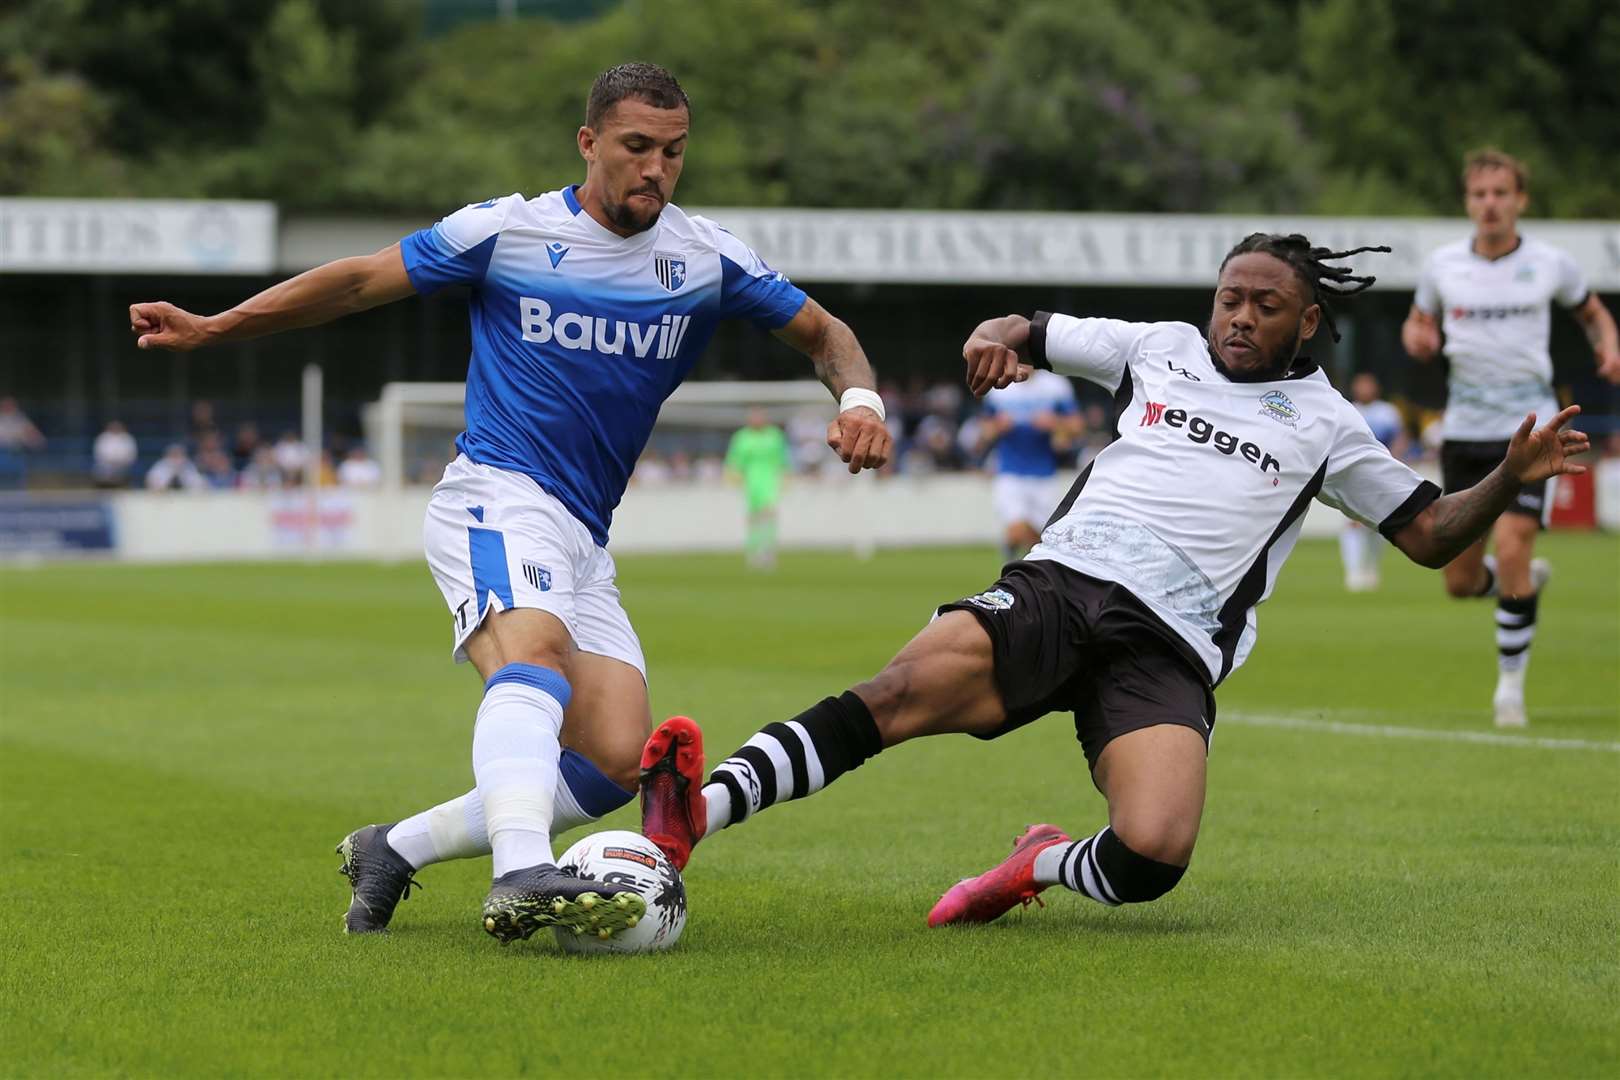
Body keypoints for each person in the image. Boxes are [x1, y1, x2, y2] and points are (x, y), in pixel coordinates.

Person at [128, 62, 892, 944]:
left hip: (584, 533)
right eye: (636, 147)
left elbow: (827, 333)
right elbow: (354, 282)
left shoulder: (704, 257)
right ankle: (520, 871)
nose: (655, 169)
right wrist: (219, 326)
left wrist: (859, 403)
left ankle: (395, 846)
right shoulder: (508, 231)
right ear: (589, 143)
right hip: (493, 494)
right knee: (533, 659)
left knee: (611, 756)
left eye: (673, 152)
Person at [638, 233, 1590, 930]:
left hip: (1171, 641)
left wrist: (1507, 476)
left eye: (1265, 305)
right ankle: (696, 815)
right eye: (1230, 298)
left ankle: (1037, 864)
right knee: (896, 692)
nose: (1240, 317)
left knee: (1153, 856)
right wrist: (996, 335)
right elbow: (1027, 324)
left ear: (1308, 323)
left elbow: (1426, 532)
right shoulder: (1156, 348)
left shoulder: (1329, 424)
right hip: (1063, 584)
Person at [1400, 148, 1620, 727]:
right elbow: (1417, 324)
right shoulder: (1443, 266)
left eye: (1501, 193)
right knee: (1460, 580)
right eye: (1480, 194)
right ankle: (1515, 586)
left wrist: (1609, 343)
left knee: (1516, 542)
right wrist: (1417, 337)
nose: (1490, 204)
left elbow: (1594, 313)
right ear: (1468, 202)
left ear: (1520, 199)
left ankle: (1509, 690)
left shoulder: (1551, 262)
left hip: (1531, 430)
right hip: (1466, 435)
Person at [978, 367, 1082, 560]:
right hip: (1010, 472)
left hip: (1044, 474)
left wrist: (1055, 423)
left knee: (1039, 539)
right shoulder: (1000, 387)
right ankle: (1010, 562)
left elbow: (1076, 426)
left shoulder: (1055, 386)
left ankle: (1020, 568)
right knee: (1016, 529)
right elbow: (985, 431)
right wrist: (998, 426)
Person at [1338, 372, 1410, 591]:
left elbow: (1400, 438)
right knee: (1353, 522)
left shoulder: (1387, 412)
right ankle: (1353, 572)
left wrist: (1393, 462)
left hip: (1383, 474)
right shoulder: (1347, 409)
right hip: (1353, 474)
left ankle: (1371, 567)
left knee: (1379, 524)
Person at [724, 407, 793, 569]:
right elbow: (734, 459)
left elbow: (783, 457)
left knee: (769, 514)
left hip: (770, 478)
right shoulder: (742, 437)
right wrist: (732, 475)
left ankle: (767, 550)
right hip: (751, 480)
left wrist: (786, 475)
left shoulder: (774, 435)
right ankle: (753, 550)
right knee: (754, 517)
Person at [92, 420, 139, 489]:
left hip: (123, 465)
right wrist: (111, 461)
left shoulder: (127, 438)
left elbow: (131, 454)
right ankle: (103, 489)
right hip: (106, 465)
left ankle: (123, 487)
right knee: (100, 470)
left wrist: (120, 461)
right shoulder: (103, 437)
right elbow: (99, 454)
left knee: (123, 472)